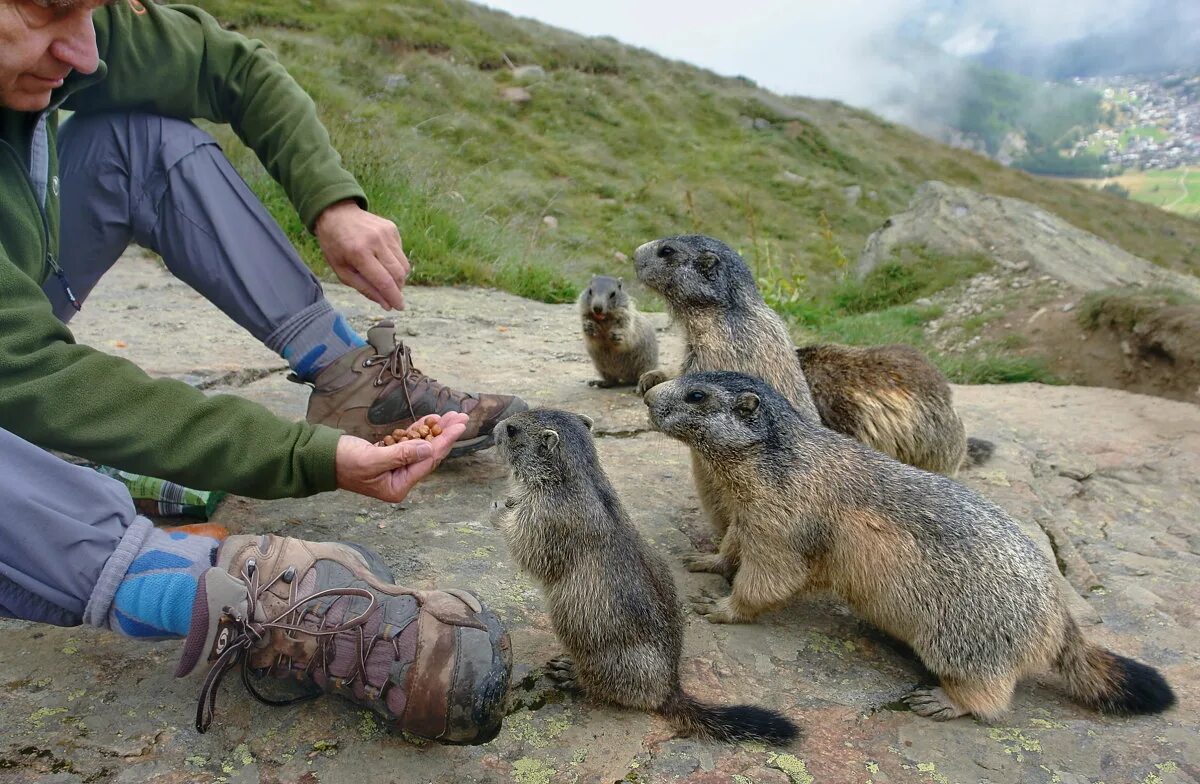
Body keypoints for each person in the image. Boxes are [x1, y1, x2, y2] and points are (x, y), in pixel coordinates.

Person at [0, 0, 521, 743]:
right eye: (51, 14)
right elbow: (24, 370)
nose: (84, 53)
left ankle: (349, 381)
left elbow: (233, 67)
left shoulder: (71, 37)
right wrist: (303, 458)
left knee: (139, 141)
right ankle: (212, 592)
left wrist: (332, 200)